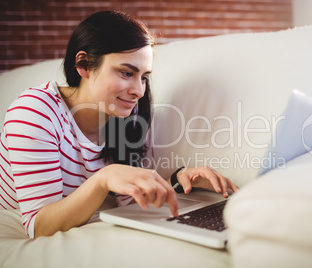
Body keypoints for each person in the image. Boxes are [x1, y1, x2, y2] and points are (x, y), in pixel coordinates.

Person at [0, 10, 238, 238]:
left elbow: (131, 201)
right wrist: (104, 178)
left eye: (143, 77)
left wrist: (182, 179)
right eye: (126, 73)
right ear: (83, 64)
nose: (139, 91)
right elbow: (40, 226)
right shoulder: (35, 111)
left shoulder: (122, 120)